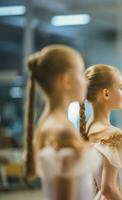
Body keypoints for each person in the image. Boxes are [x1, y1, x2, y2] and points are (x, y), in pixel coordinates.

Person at [23, 45, 96, 200]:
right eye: (81, 75)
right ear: (67, 80)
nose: (86, 82)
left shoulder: (46, 124)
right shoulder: (63, 130)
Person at [79, 64, 122, 200]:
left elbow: (100, 178)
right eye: (121, 88)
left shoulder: (87, 130)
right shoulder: (112, 133)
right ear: (106, 93)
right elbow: (108, 188)